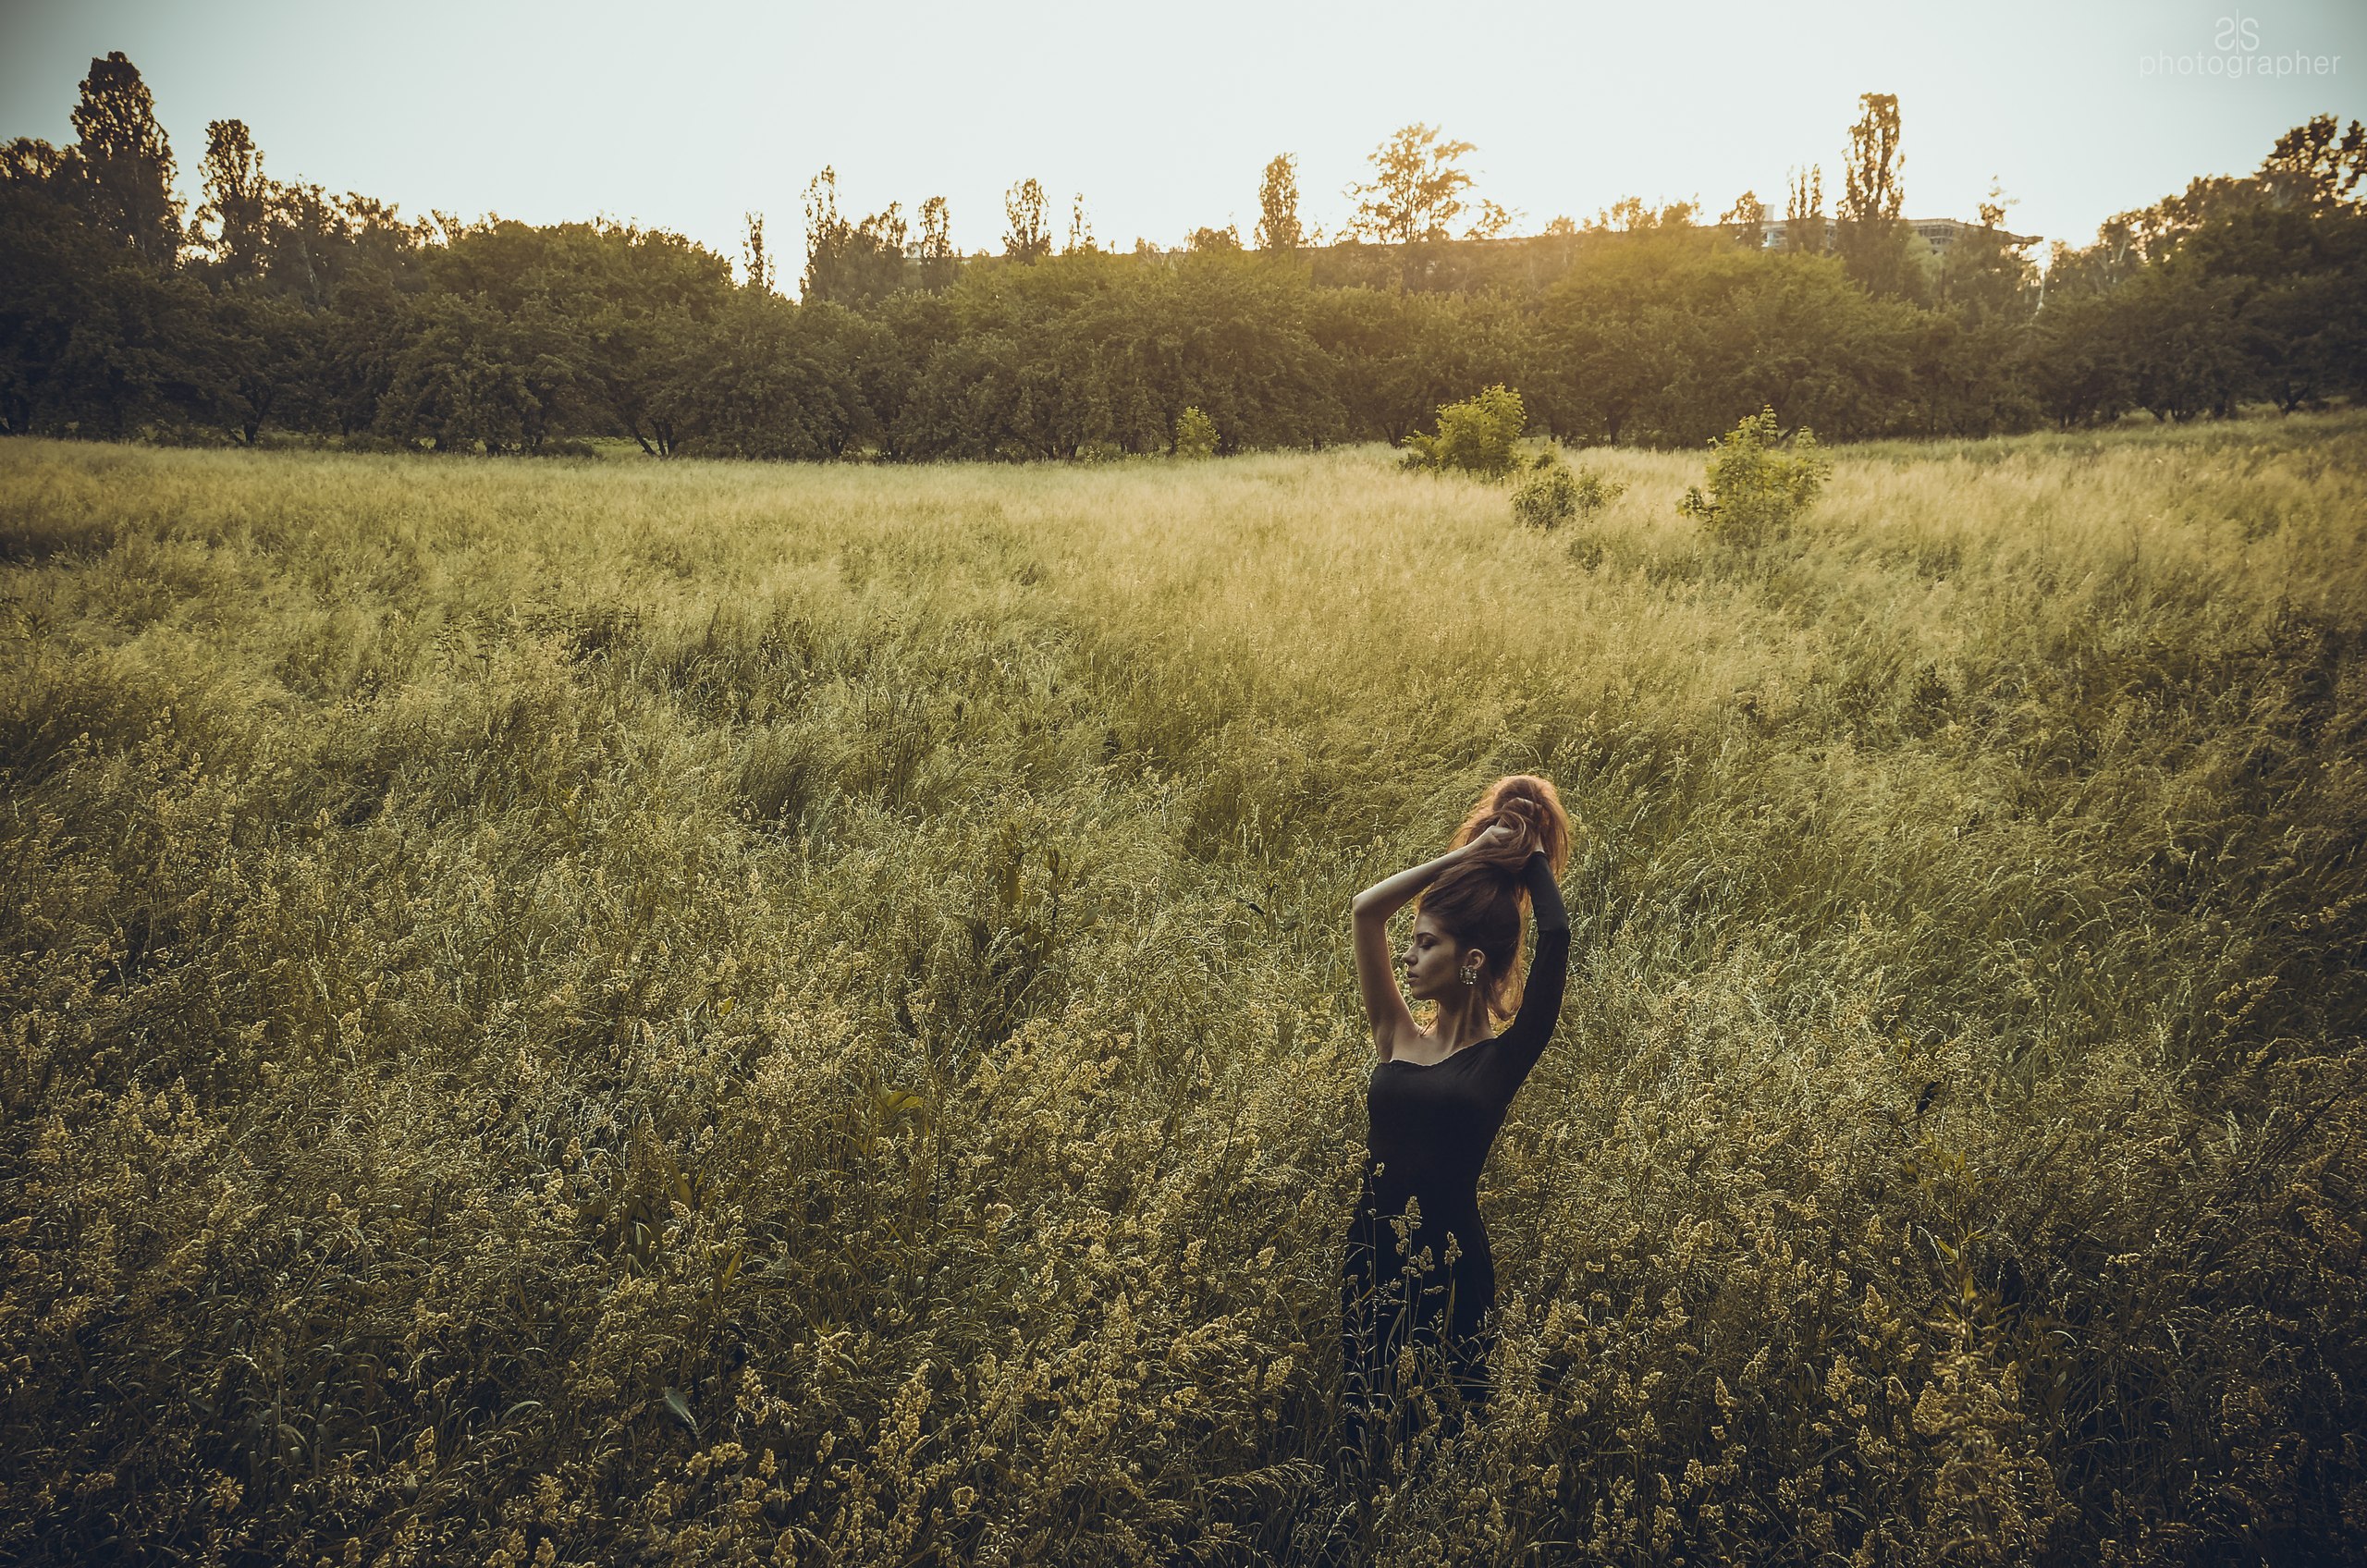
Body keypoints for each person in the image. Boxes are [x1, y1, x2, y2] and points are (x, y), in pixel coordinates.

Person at [1337, 774, 1573, 1472]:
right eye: (1414, 945)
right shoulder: (1395, 1034)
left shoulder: (1502, 1060)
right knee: (1364, 1433)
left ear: (1472, 962)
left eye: (1427, 945)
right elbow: (1364, 913)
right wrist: (1467, 856)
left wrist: (1529, 855)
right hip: (1368, 1259)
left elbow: (1557, 935)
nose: (1408, 957)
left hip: (1450, 1271)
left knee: (1445, 1448)